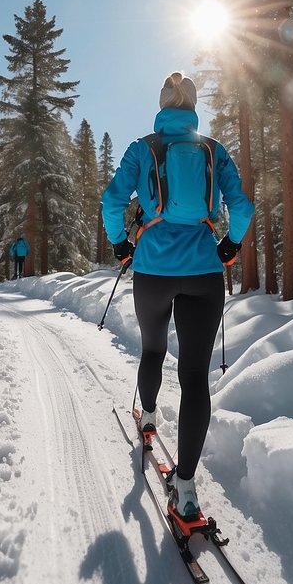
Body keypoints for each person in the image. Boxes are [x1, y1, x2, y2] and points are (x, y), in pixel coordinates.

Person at [100, 71, 254, 519]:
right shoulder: (212, 149)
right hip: (205, 272)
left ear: (163, 106)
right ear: (191, 110)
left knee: (152, 348)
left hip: (152, 269)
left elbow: (113, 202)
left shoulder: (142, 148)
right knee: (193, 379)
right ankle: (185, 488)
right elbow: (241, 206)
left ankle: (147, 418)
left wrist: (121, 244)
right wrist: (231, 244)